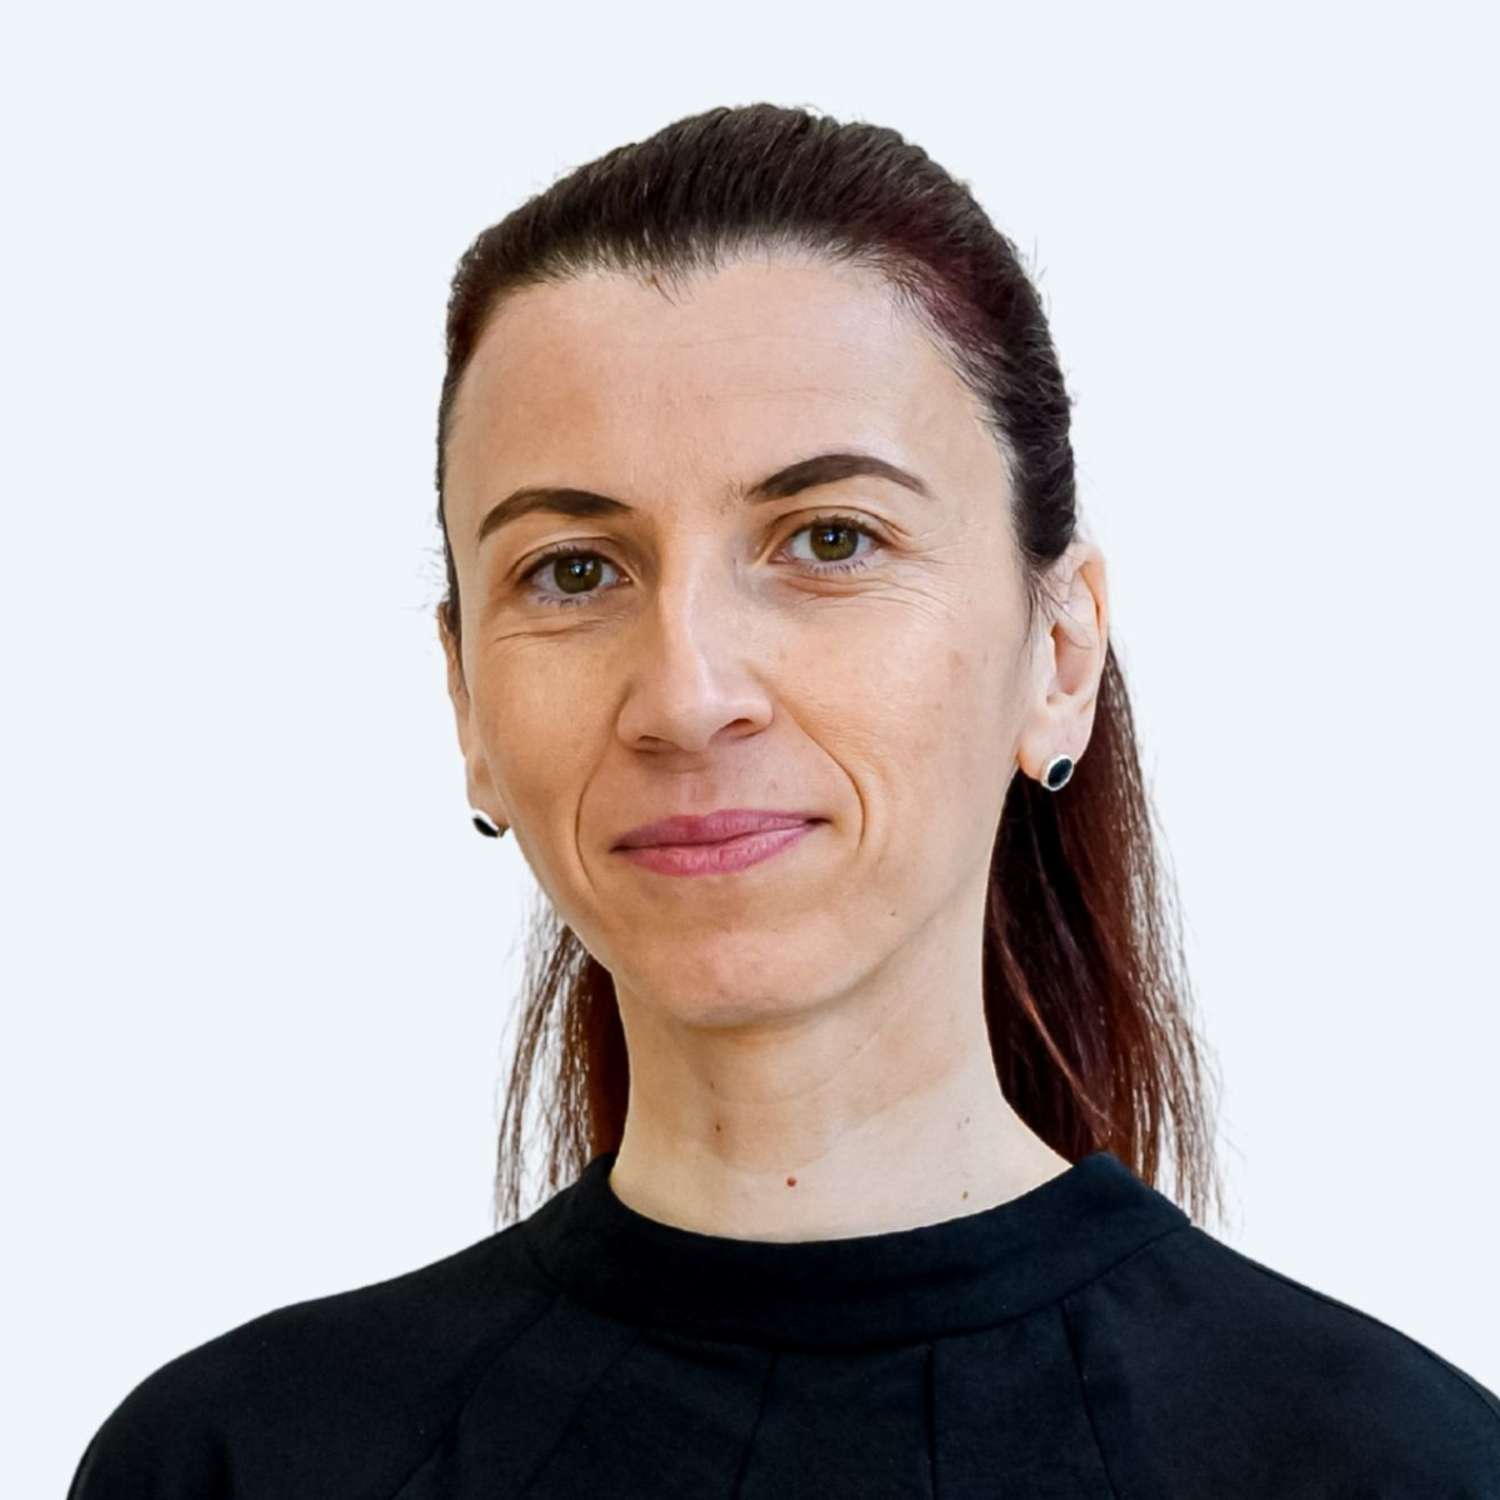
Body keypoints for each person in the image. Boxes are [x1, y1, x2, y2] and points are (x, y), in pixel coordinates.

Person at [67, 102, 1500, 1498]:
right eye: (573, 571)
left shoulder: (1398, 1466)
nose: (687, 693)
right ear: (466, 702)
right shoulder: (232, 1461)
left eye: (829, 540)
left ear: (1060, 656)